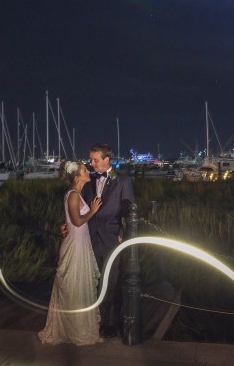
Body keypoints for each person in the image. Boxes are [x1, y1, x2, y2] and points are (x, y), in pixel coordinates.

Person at [38, 161, 103, 346]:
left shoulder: (77, 193)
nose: (88, 171)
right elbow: (77, 221)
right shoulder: (73, 195)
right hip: (75, 244)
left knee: (79, 284)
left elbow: (69, 221)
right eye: (84, 170)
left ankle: (79, 326)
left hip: (79, 242)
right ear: (77, 177)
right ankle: (74, 328)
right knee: (73, 284)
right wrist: (92, 210)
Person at [82, 143, 135, 338]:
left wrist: (122, 232)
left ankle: (109, 323)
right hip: (89, 237)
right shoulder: (88, 181)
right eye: (91, 159)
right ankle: (94, 321)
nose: (92, 163)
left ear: (107, 160)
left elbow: (129, 209)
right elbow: (82, 206)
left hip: (112, 239)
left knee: (110, 283)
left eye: (95, 160)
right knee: (92, 282)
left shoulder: (122, 181)